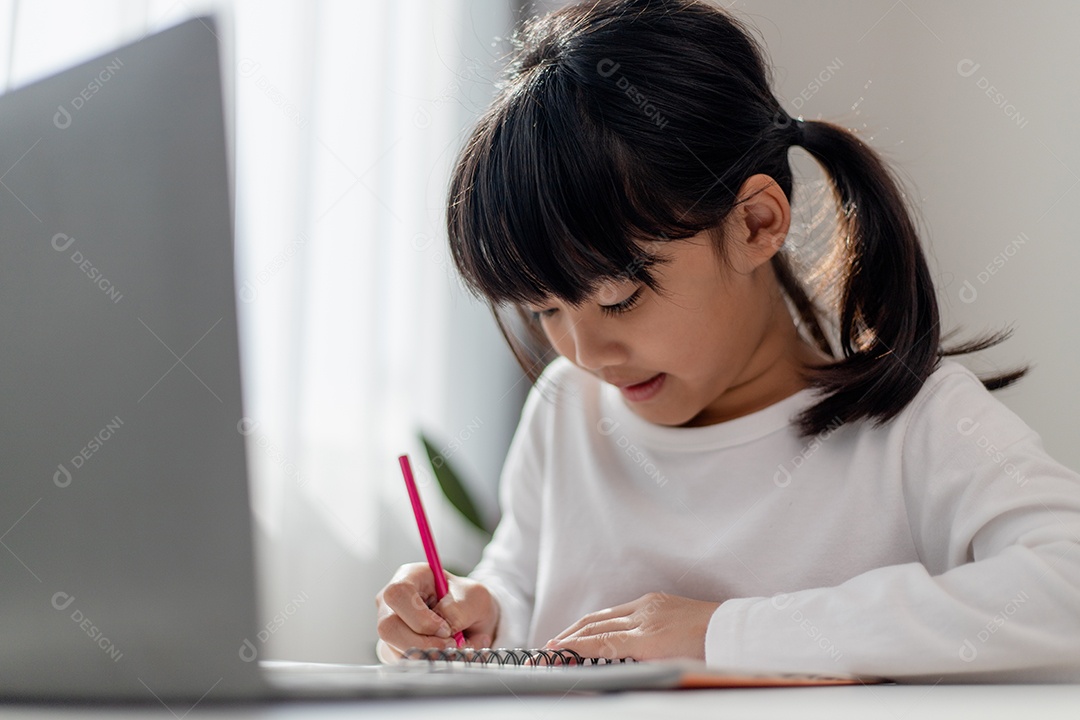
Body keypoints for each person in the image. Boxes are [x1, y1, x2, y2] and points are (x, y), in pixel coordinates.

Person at [374, 0, 1080, 681]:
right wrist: (476, 614)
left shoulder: (914, 427)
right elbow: (522, 584)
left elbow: (1065, 583)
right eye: (544, 311)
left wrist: (726, 635)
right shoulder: (568, 411)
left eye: (620, 300)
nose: (584, 355)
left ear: (756, 224)